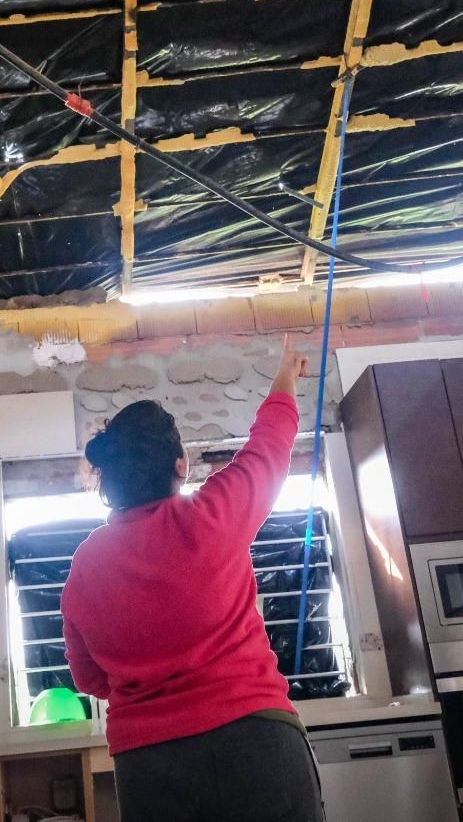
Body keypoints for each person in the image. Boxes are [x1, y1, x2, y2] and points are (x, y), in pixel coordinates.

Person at [60, 338, 322, 822]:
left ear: (110, 482)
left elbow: (90, 679)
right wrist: (285, 373)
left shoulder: (84, 567)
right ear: (180, 466)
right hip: (257, 742)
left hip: (149, 767)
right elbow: (270, 445)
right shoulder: (213, 515)